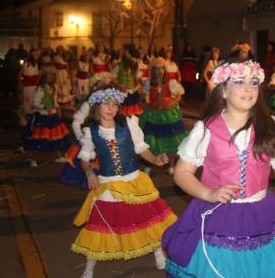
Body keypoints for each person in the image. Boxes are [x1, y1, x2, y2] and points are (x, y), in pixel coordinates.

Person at [162, 59, 275, 278]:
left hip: (260, 212)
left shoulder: (271, 126)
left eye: (253, 82)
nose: (248, 88)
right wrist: (208, 193)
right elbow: (182, 173)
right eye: (239, 82)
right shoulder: (206, 129)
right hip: (218, 215)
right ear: (223, 91)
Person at [70, 84, 177, 278]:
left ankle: (158, 254)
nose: (111, 108)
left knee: (146, 219)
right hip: (108, 184)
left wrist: (155, 159)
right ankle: (89, 268)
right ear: (96, 107)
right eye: (106, 104)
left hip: (134, 180)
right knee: (100, 226)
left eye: (114, 104)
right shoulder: (91, 132)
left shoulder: (129, 124)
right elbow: (84, 159)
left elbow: (141, 148)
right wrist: (90, 174)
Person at [139, 57, 186, 175]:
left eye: (161, 68)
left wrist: (172, 103)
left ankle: (171, 164)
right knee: (153, 140)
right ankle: (151, 162)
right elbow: (143, 97)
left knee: (170, 139)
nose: (159, 70)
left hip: (168, 115)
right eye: (156, 68)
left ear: (165, 70)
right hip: (154, 115)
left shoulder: (171, 82)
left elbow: (179, 95)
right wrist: (145, 102)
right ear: (153, 70)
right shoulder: (149, 83)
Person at [19, 71, 75, 166]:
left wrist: (58, 109)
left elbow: (54, 101)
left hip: (52, 116)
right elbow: (35, 103)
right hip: (42, 117)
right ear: (44, 77)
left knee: (56, 138)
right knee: (38, 140)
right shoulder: (40, 89)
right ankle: (33, 159)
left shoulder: (53, 87)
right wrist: (45, 107)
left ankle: (58, 157)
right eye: (48, 76)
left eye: (52, 76)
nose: (51, 77)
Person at [18, 49, 40, 126]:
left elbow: (37, 75)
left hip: (33, 85)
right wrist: (20, 83)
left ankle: (33, 119)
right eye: (35, 55)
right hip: (27, 85)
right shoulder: (26, 63)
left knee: (33, 101)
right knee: (26, 101)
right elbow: (20, 74)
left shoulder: (36, 64)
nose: (37, 56)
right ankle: (25, 119)